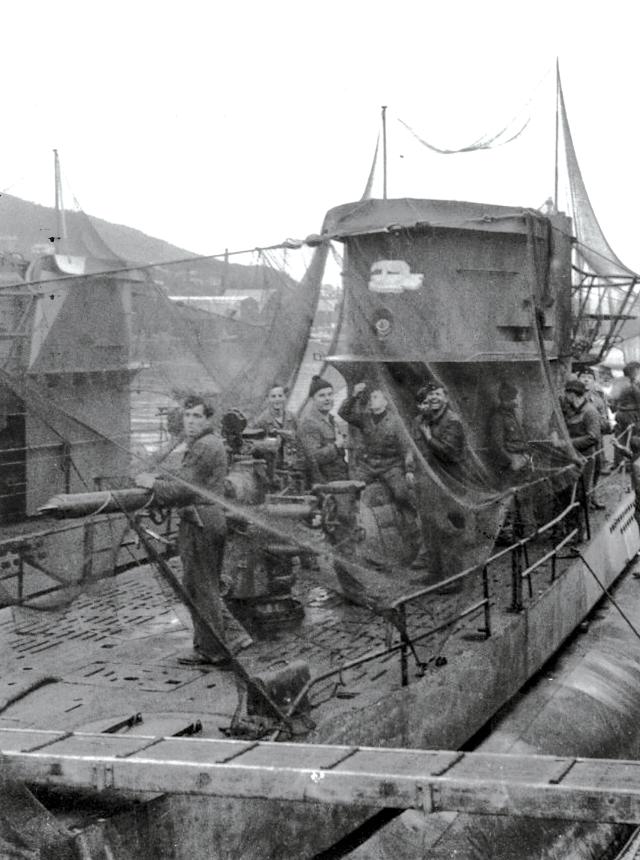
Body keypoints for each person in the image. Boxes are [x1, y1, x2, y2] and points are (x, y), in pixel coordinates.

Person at [136, 395, 252, 666]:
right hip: (207, 520)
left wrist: (150, 483)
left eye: (197, 416)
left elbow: (182, 489)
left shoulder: (203, 446)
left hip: (200, 522)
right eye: (187, 416)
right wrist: (161, 478)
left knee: (201, 587)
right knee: (199, 585)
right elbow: (186, 478)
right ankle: (231, 636)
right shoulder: (208, 443)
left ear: (208, 420)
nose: (190, 422)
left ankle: (213, 650)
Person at [407, 382, 468, 578]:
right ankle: (435, 575)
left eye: (439, 394)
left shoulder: (453, 421)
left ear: (446, 399)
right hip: (426, 484)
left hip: (447, 484)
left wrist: (428, 438)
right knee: (430, 530)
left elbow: (451, 453)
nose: (434, 398)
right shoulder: (425, 420)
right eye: (431, 394)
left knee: (447, 531)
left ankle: (452, 579)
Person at [338, 381, 416, 526]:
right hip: (369, 466)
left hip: (391, 466)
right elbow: (343, 413)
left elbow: (407, 448)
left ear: (385, 402)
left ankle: (411, 524)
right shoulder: (365, 418)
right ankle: (351, 524)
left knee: (401, 494)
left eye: (375, 397)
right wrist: (354, 396)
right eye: (371, 397)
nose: (371, 400)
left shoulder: (396, 422)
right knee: (351, 490)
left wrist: (409, 470)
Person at [297, 375, 348, 486]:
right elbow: (314, 457)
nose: (327, 399)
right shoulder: (309, 423)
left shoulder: (332, 420)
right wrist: (336, 446)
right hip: (324, 482)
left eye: (330, 394)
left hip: (341, 475)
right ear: (312, 399)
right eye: (322, 395)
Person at [563, 378, 602, 504]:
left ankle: (580, 522)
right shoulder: (568, 410)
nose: (565, 396)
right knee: (569, 492)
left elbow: (593, 437)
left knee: (582, 491)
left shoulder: (590, 412)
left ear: (572, 395)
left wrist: (568, 443)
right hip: (571, 456)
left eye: (567, 394)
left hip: (586, 456)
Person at [487, 381, 532, 486]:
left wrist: (525, 456)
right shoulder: (498, 418)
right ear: (505, 400)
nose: (516, 401)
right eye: (513, 398)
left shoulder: (512, 415)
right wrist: (511, 460)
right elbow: (497, 445)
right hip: (510, 466)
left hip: (522, 461)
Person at [250, 383, 298, 468]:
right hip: (272, 466)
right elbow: (254, 444)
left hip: (292, 464)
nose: (277, 399)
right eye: (273, 396)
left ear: (285, 397)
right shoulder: (262, 420)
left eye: (280, 396)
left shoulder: (292, 417)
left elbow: (299, 438)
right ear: (268, 399)